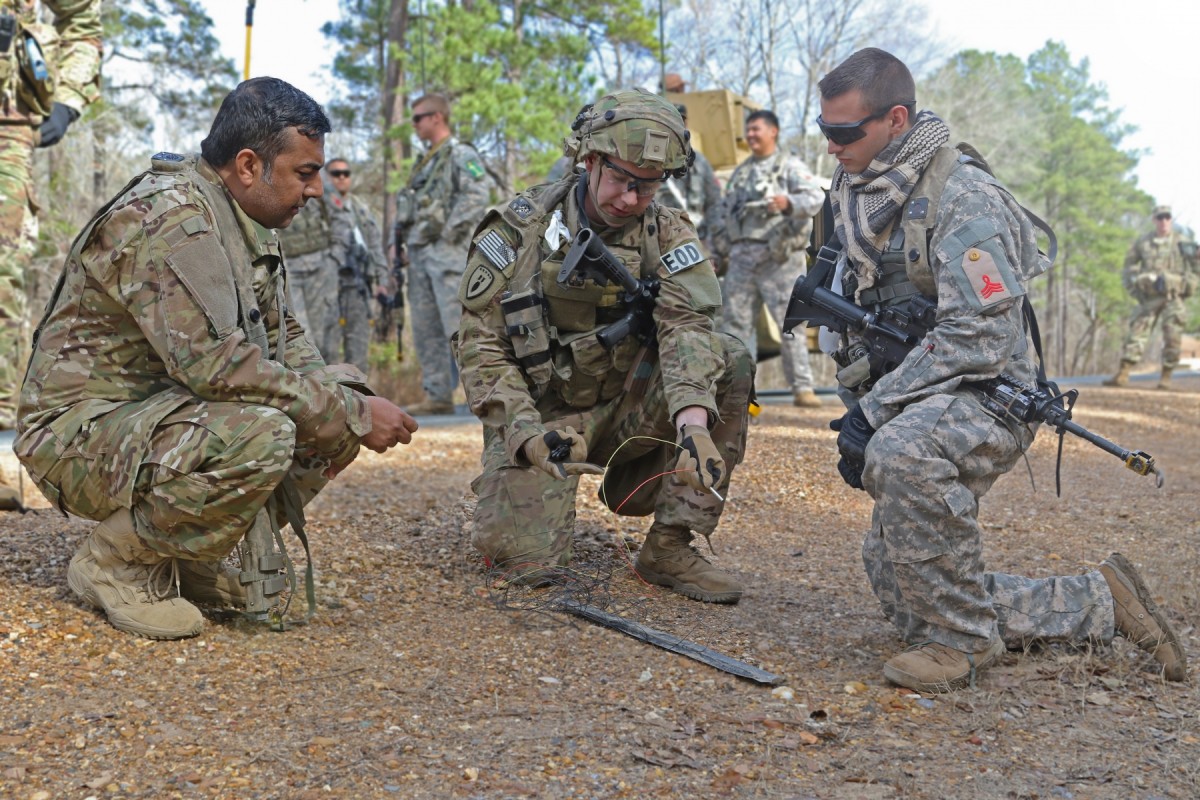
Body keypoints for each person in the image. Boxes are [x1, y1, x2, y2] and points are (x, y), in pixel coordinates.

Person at [815, 48, 1186, 692]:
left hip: (992, 392)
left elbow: (979, 335)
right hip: (927, 387)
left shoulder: (965, 198)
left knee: (903, 457)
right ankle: (1103, 600)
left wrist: (877, 416)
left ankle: (963, 645)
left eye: (845, 133)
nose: (831, 147)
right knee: (907, 594)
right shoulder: (859, 196)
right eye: (825, 131)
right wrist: (862, 403)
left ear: (895, 120)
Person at [15, 77, 419, 639]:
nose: (318, 190)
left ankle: (190, 555)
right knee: (266, 432)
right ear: (250, 165)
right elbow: (215, 365)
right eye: (305, 172)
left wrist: (351, 403)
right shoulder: (169, 217)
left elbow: (285, 336)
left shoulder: (246, 218)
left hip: (151, 419)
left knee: (341, 390)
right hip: (75, 435)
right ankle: (116, 562)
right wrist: (348, 415)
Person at [454, 88, 755, 603]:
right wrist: (525, 433)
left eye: (648, 186)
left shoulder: (668, 232)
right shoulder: (521, 227)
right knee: (525, 565)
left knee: (730, 356)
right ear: (588, 160)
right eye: (620, 180)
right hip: (544, 419)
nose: (631, 199)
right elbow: (480, 346)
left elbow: (688, 329)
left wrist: (693, 426)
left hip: (628, 408)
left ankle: (669, 544)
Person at [0, 0, 102, 510]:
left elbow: (82, 22)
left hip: (8, 118)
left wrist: (66, 100)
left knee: (0, 276)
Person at [396, 93, 495, 415]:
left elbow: (477, 193)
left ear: (437, 117)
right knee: (425, 327)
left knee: (458, 326)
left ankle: (479, 395)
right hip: (421, 253)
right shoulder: (425, 162)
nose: (414, 125)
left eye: (418, 118)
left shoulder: (460, 154)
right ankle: (437, 394)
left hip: (447, 254)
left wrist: (449, 236)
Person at [719, 109, 825, 408]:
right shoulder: (741, 173)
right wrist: (717, 251)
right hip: (741, 259)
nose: (750, 135)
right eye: (748, 130)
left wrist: (788, 202)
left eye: (756, 129)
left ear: (773, 131)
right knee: (736, 328)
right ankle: (741, 395)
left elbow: (815, 198)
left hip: (778, 257)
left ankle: (802, 389)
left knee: (790, 326)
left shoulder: (789, 166)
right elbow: (725, 213)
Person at [1104, 205, 1197, 390]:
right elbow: (1128, 268)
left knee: (1173, 336)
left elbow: (1197, 266)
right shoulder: (1143, 243)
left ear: (1170, 219)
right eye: (1160, 217)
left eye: (1167, 217)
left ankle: (1166, 377)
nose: (1164, 221)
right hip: (1149, 297)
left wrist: (1188, 285)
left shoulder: (1182, 242)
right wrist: (1136, 289)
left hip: (1174, 297)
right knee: (1136, 334)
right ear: (1154, 220)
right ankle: (1123, 373)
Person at [275, 163, 352, 362]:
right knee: (298, 332)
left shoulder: (319, 180)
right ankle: (311, 385)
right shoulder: (273, 172)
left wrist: (336, 256)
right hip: (287, 269)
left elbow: (340, 217)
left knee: (326, 332)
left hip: (321, 267)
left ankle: (334, 383)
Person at [325, 158, 390, 374]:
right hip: (328, 286)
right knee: (327, 346)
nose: (342, 177)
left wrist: (382, 280)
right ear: (327, 176)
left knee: (359, 345)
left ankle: (360, 400)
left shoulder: (361, 209)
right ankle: (330, 402)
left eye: (346, 173)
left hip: (359, 284)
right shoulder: (317, 205)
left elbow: (374, 246)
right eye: (336, 173)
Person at [655, 104, 723, 262]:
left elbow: (715, 204)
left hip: (697, 241)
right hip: (660, 242)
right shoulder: (651, 160)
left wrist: (712, 249)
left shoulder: (700, 162)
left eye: (681, 120)